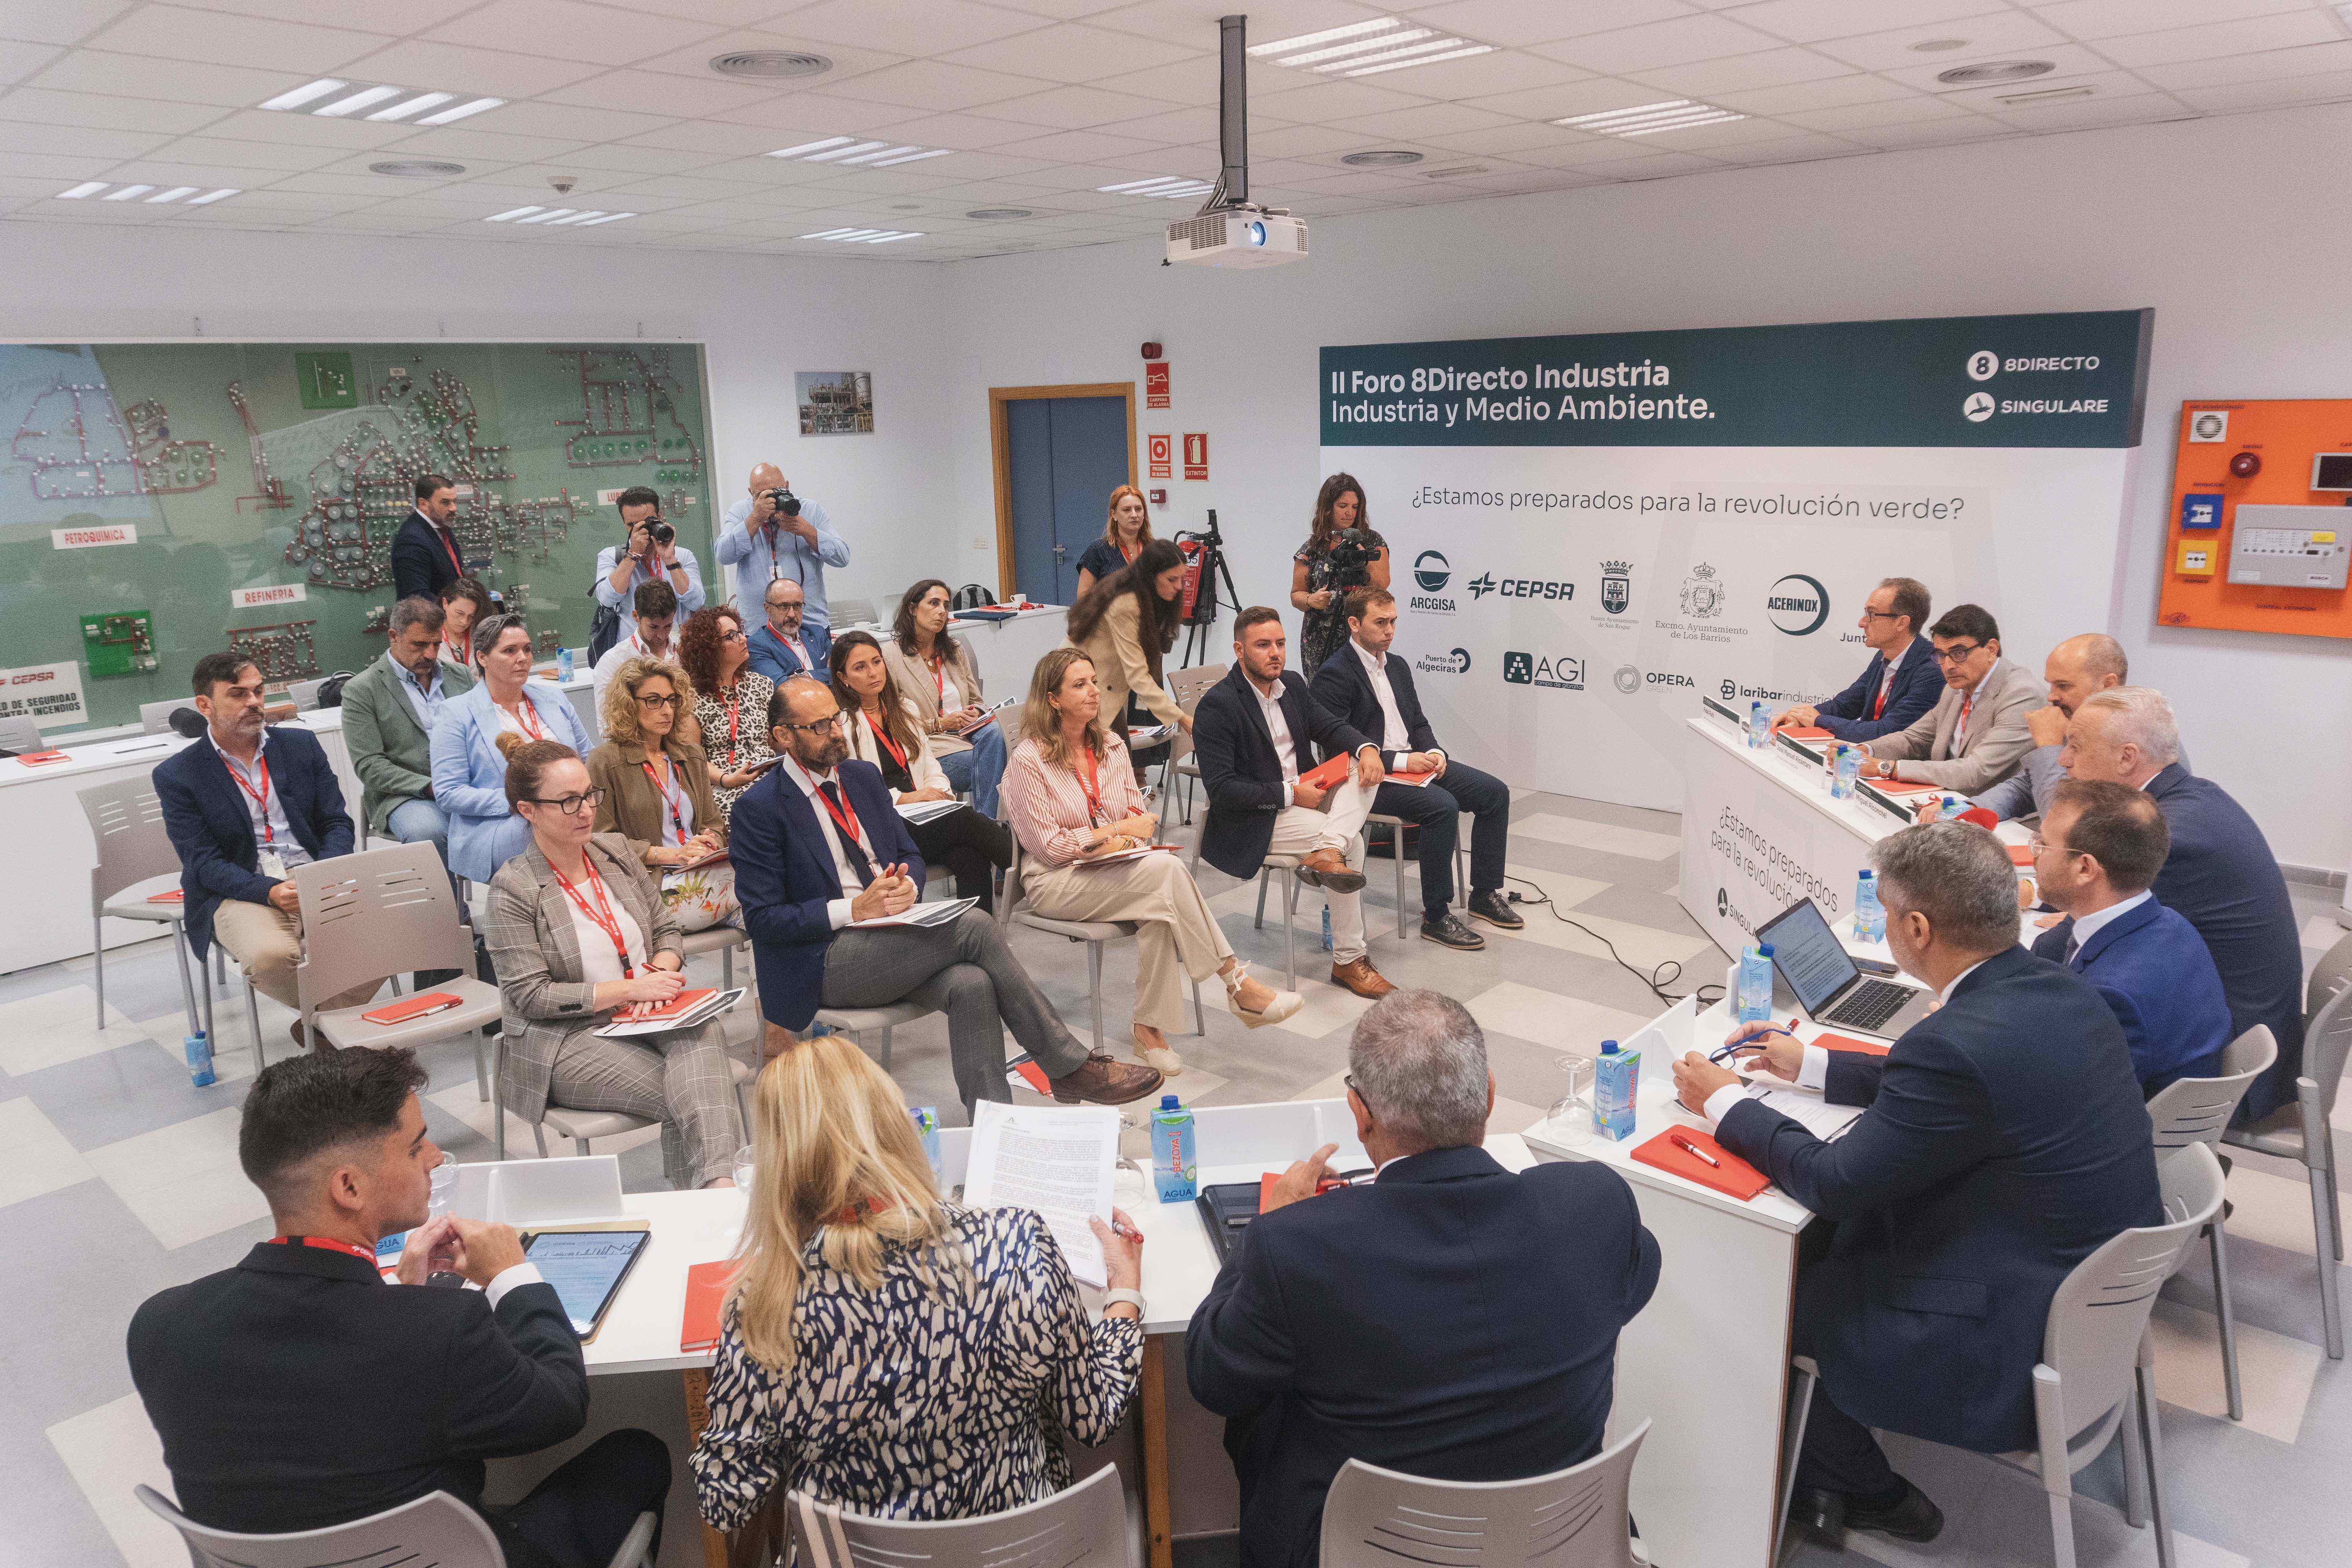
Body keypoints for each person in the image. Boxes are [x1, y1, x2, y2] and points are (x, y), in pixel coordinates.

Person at [1669, 822, 2160, 1546]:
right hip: (2079, 1288)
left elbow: (1834, 1181)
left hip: (2004, 1326)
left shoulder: (1955, 1043)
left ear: (1918, 927)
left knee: (1762, 1298)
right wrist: (1813, 1067)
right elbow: (1953, 1083)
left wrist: (1724, 1104)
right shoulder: (2057, 985)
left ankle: (1870, 1490)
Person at [126, 1046, 672, 1568]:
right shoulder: (442, 1333)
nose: (435, 1158)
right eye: (416, 1147)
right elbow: (560, 1405)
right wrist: (513, 1274)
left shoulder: (160, 1327)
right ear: (349, 1186)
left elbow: (323, 1393)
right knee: (637, 1453)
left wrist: (406, 1302)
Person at [1188, 990, 1661, 1568]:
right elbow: (1634, 1281)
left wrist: (1274, 1220)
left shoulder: (1296, 1247)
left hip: (1360, 1551)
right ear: (1488, 1097)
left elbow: (1214, 1378)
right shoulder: (1594, 1205)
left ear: (1360, 1115)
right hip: (1555, 1542)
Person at [691, 1034, 1143, 1528]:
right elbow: (1095, 1416)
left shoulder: (768, 1307)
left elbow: (725, 1501)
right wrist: (1123, 1294)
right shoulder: (1017, 1246)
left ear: (780, 1164)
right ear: (892, 1121)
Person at [731, 674, 1161, 1112]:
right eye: (818, 726)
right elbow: (763, 920)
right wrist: (853, 908)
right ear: (782, 736)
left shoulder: (861, 777)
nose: (836, 732)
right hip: (823, 958)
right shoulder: (760, 808)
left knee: (971, 983)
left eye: (836, 719)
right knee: (974, 925)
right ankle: (1069, 1067)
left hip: (892, 932)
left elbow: (909, 853)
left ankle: (993, 1124)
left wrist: (908, 884)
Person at [1005, 648, 1304, 1075]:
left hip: (1118, 866)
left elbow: (1139, 817)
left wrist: (1118, 835)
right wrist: (1109, 834)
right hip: (1056, 881)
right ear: (1052, 699)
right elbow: (1050, 848)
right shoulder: (1028, 761)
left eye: (1094, 680)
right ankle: (1238, 985)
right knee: (1165, 874)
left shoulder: (1108, 743)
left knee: (1161, 902)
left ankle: (1150, 1032)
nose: (1095, 691)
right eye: (1080, 685)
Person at [483, 736, 745, 1190]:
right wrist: (630, 991)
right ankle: (719, 1191)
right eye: (568, 801)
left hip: (647, 1012)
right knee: (694, 1090)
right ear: (528, 810)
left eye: (589, 795)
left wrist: (660, 970)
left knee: (705, 1033)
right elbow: (532, 996)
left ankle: (713, 1196)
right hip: (563, 1037)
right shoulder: (513, 889)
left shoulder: (615, 853)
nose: (586, 810)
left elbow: (666, 930)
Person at [2058, 687, 2304, 1120]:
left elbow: (2079, 938)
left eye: (2075, 746)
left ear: (2127, 758)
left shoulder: (2169, 835)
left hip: (2220, 1071)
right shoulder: (2190, 797)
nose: (2063, 760)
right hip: (2233, 1022)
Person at [155, 652, 378, 1047]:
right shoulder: (178, 775)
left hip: (315, 874)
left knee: (390, 929)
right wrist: (270, 891)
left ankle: (322, 1027)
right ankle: (335, 1025)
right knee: (269, 958)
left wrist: (321, 875)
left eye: (258, 691)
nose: (254, 702)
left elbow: (336, 823)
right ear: (204, 705)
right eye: (238, 694)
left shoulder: (300, 746)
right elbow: (202, 862)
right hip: (242, 887)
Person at [1194, 606, 1392, 999]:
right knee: (1353, 844)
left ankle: (1326, 849)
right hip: (1257, 817)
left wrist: (1367, 748)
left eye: (1281, 644)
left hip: (1307, 797)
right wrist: (1289, 794)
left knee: (1366, 768)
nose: (1275, 653)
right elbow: (1223, 790)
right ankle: (1350, 960)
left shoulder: (1293, 685)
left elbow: (1331, 727)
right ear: (1239, 650)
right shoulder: (1218, 705)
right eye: (1263, 645)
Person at [1310, 588, 1518, 949]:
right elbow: (1337, 748)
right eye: (1381, 622)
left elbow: (1417, 723)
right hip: (1368, 779)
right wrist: (1403, 761)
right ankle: (1436, 916)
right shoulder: (1334, 674)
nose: (1390, 630)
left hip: (1413, 762)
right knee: (1441, 807)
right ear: (1354, 624)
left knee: (1493, 793)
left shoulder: (1399, 665)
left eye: (1393, 622)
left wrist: (1434, 751)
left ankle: (1485, 893)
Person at [2028, 780, 2231, 1096]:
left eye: (2043, 844)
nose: (2035, 856)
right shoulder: (2171, 923)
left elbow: (2072, 1105)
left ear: (2085, 868)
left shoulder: (2111, 996)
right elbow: (2050, 954)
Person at [833, 630, 1012, 913]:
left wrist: (939, 792)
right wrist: (907, 799)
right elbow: (853, 792)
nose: (872, 672)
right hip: (885, 823)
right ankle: (1029, 873)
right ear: (843, 678)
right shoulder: (842, 725)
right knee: (966, 818)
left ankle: (978, 933)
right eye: (860, 667)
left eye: (877, 662)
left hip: (924, 817)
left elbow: (929, 763)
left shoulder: (904, 709)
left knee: (971, 855)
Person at [430, 613, 594, 884]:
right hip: (498, 823)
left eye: (527, 649)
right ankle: (558, 912)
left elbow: (588, 757)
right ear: (483, 658)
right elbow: (449, 794)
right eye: (510, 651)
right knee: (537, 827)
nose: (523, 658)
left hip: (569, 808)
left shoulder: (554, 698)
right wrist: (522, 804)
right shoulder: (455, 713)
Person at [587, 655, 737, 932]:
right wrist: (671, 855)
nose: (666, 710)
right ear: (629, 704)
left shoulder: (691, 755)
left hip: (703, 875)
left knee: (768, 905)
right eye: (654, 701)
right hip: (651, 885)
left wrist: (708, 843)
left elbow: (712, 823)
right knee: (761, 897)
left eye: (672, 700)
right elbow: (599, 842)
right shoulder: (604, 761)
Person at [1965, 633, 2179, 823]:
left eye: (2064, 686)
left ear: (2108, 685)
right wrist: (1966, 811)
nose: (2051, 696)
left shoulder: (2139, 732)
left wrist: (2049, 746)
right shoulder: (2074, 721)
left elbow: (2064, 821)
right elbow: (2024, 786)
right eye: (2050, 684)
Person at [338, 594, 474, 864]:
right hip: (405, 795)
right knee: (429, 833)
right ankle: (452, 909)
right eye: (419, 645)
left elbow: (485, 735)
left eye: (437, 644)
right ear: (393, 636)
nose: (431, 654)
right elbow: (369, 765)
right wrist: (429, 787)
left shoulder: (459, 676)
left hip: (467, 784)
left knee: (524, 816)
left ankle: (520, 901)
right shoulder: (362, 690)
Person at [1854, 604, 2044, 794]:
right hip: (1945, 799)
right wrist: (1865, 750)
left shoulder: (2022, 695)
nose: (1948, 665)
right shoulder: (1955, 688)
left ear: (1991, 649)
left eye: (1959, 653)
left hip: (1996, 813)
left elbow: (1975, 771)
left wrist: (1887, 768)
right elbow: (1915, 738)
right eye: (1941, 655)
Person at [1064, 539, 1191, 786]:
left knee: (1120, 768)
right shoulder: (1126, 603)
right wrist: (1182, 718)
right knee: (1093, 777)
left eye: (1181, 580)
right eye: (1172, 580)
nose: (1179, 587)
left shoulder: (1146, 597)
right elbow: (1137, 674)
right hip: (1078, 688)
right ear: (1152, 576)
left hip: (1104, 690)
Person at [884, 578, 1007, 818]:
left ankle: (989, 826)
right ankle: (990, 826)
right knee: (1001, 766)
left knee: (997, 736)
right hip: (932, 745)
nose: (942, 611)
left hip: (970, 734)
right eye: (934, 604)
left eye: (946, 605)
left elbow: (977, 699)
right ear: (912, 609)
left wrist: (976, 712)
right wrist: (941, 724)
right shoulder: (891, 656)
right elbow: (895, 724)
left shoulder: (954, 650)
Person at [1774, 577, 1938, 742]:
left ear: (1902, 623)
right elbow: (1846, 705)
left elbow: (1887, 733)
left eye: (1872, 615)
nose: (1862, 623)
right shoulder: (1884, 655)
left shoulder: (1932, 670)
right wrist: (1798, 719)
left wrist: (1817, 721)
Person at [714, 463, 848, 633]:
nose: (771, 501)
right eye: (762, 496)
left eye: (775, 492)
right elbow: (723, 555)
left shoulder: (810, 510)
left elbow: (842, 557)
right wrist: (754, 519)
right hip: (759, 629)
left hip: (810, 626)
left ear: (787, 486)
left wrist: (806, 530)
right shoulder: (741, 512)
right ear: (751, 494)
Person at [677, 605, 776, 824]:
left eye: (739, 632)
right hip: (723, 785)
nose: (743, 639)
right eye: (731, 636)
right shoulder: (690, 697)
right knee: (750, 809)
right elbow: (693, 759)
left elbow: (775, 741)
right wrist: (727, 779)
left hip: (770, 773)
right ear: (709, 649)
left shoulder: (761, 684)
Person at [1291, 473, 1389, 677]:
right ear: (1328, 508)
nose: (1349, 513)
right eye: (1343, 506)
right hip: (1320, 637)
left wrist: (1360, 552)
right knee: (1323, 697)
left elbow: (1382, 585)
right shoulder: (1314, 546)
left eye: (1355, 507)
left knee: (1365, 696)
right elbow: (1296, 595)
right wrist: (1312, 600)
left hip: (1362, 633)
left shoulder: (1372, 540)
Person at [593, 485, 704, 644]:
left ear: (660, 516)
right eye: (632, 525)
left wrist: (671, 561)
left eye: (646, 523)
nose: (640, 530)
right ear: (624, 523)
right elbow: (606, 600)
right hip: (634, 656)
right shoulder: (612, 557)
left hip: (678, 651)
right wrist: (632, 555)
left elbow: (696, 603)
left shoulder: (683, 556)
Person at [592, 579, 679, 699]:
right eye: (654, 627)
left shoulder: (685, 652)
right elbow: (607, 717)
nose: (661, 635)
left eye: (668, 626)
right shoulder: (613, 662)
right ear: (636, 616)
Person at [391, 472, 466, 601]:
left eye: (454, 502)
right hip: (432, 618)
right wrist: (455, 612)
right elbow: (417, 596)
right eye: (445, 502)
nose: (453, 508)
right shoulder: (411, 539)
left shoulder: (442, 526)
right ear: (424, 504)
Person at [744, 576, 828, 686]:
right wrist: (824, 675)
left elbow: (840, 673)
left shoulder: (817, 633)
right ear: (767, 608)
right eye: (784, 606)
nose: (792, 615)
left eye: (797, 606)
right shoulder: (757, 644)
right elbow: (782, 686)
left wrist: (806, 676)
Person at [1073, 483, 1153, 598]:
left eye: (1139, 509)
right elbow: (1083, 598)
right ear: (1114, 514)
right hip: (1110, 615)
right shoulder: (1098, 550)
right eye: (1127, 510)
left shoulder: (1153, 549)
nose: (1134, 515)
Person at [439, 574, 492, 677]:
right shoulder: (431, 635)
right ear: (445, 604)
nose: (465, 622)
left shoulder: (481, 633)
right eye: (460, 613)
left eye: (471, 616)